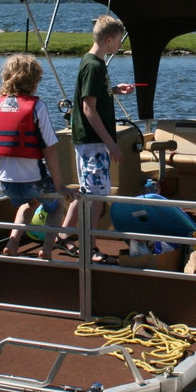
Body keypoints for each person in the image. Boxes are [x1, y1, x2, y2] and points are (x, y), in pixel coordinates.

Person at [0, 54, 73, 259]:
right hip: (34, 181)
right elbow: (50, 150)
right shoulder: (37, 107)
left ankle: (12, 242)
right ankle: (47, 249)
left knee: (28, 204)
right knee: (56, 207)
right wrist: (60, 187)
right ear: (34, 81)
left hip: (7, 184)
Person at [60, 15, 134, 252]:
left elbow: (93, 95)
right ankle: (90, 247)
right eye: (119, 41)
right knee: (96, 200)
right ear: (109, 39)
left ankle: (63, 234)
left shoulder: (92, 62)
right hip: (93, 144)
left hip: (88, 142)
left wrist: (113, 90)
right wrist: (110, 143)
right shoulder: (93, 66)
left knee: (86, 192)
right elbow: (87, 108)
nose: (120, 45)